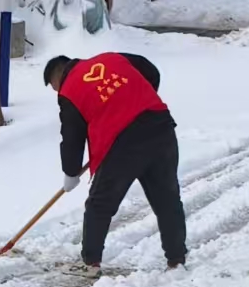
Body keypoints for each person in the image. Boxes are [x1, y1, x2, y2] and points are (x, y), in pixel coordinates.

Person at [43, 51, 187, 274]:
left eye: (55, 88)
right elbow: (150, 71)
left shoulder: (69, 90)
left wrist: (70, 172)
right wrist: (137, 101)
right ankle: (176, 261)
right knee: (167, 199)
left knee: (99, 204)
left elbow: (72, 136)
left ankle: (90, 263)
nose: (58, 92)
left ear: (58, 75)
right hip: (160, 126)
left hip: (122, 143)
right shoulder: (112, 58)